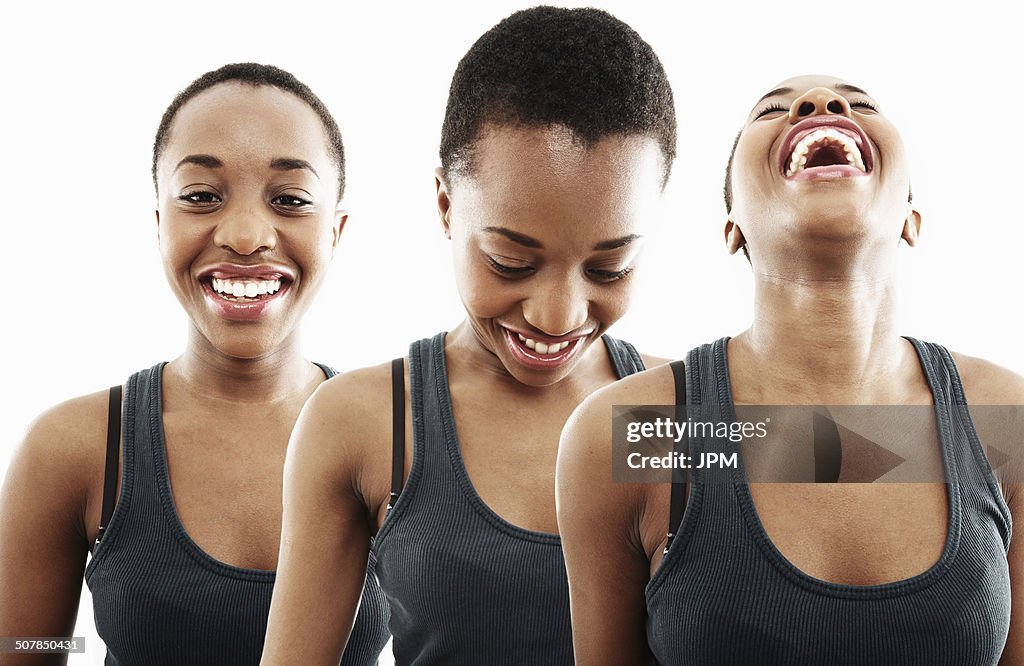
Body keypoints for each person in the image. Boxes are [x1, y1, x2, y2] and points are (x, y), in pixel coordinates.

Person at [557, 74, 1023, 665]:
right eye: (772, 111)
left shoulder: (1006, 422)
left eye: (860, 104)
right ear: (734, 230)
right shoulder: (637, 434)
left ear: (911, 218)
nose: (820, 105)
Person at [261, 7, 676, 665]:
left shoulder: (689, 414)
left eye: (609, 267)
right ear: (446, 205)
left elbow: (884, 455)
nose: (557, 315)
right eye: (511, 263)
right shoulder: (360, 423)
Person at [0, 63, 389, 665]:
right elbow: (25, 644)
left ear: (335, 231)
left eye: (289, 199)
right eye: (202, 197)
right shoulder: (74, 448)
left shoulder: (394, 441)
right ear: (160, 222)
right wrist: (71, 640)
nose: (244, 235)